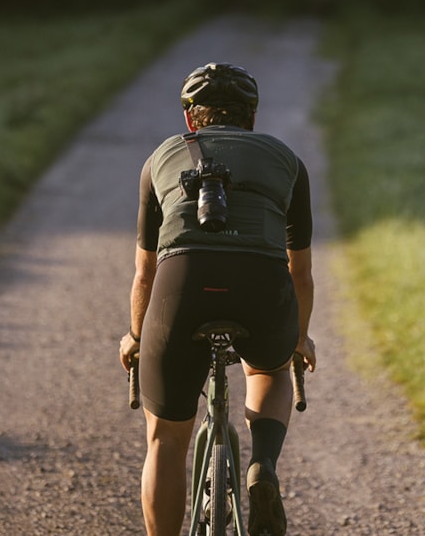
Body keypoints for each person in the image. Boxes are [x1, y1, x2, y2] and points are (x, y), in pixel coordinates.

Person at [118, 62, 317, 536]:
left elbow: (145, 273)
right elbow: (301, 271)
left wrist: (135, 335)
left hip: (180, 287)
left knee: (165, 439)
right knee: (267, 370)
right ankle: (262, 465)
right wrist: (299, 338)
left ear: (190, 118)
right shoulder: (286, 159)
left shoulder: (162, 157)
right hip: (262, 287)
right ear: (251, 115)